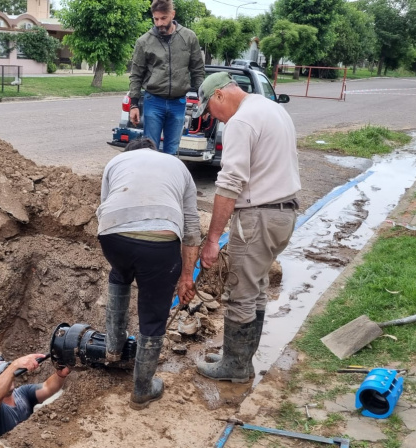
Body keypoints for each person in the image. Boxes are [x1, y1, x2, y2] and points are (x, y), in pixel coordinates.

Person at [192, 72, 301, 383]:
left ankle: (236, 367)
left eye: (210, 110)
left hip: (259, 217)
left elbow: (229, 183)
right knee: (256, 289)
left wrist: (212, 239)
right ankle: (238, 357)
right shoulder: (272, 109)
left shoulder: (241, 121)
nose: (213, 118)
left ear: (220, 96)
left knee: (240, 291)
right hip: (283, 213)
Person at [97, 137, 201, 409]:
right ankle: (142, 388)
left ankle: (113, 349)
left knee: (119, 273)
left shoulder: (115, 162)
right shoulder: (177, 165)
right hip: (160, 243)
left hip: (112, 237)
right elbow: (191, 229)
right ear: (154, 151)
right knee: (153, 313)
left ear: (131, 152)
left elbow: (105, 208)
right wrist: (186, 277)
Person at [128, 0, 205, 155]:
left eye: (163, 18)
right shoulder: (144, 41)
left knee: (172, 149)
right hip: (153, 101)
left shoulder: (189, 38)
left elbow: (197, 70)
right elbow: (136, 75)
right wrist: (134, 104)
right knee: (150, 149)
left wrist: (203, 100)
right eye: (156, 19)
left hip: (178, 102)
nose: (159, 23)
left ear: (172, 14)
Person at [0, 354, 70, 436]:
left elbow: (48, 387)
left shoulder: (23, 393)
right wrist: (14, 365)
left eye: (7, 370)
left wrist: (61, 374)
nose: (9, 376)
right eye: (1, 374)